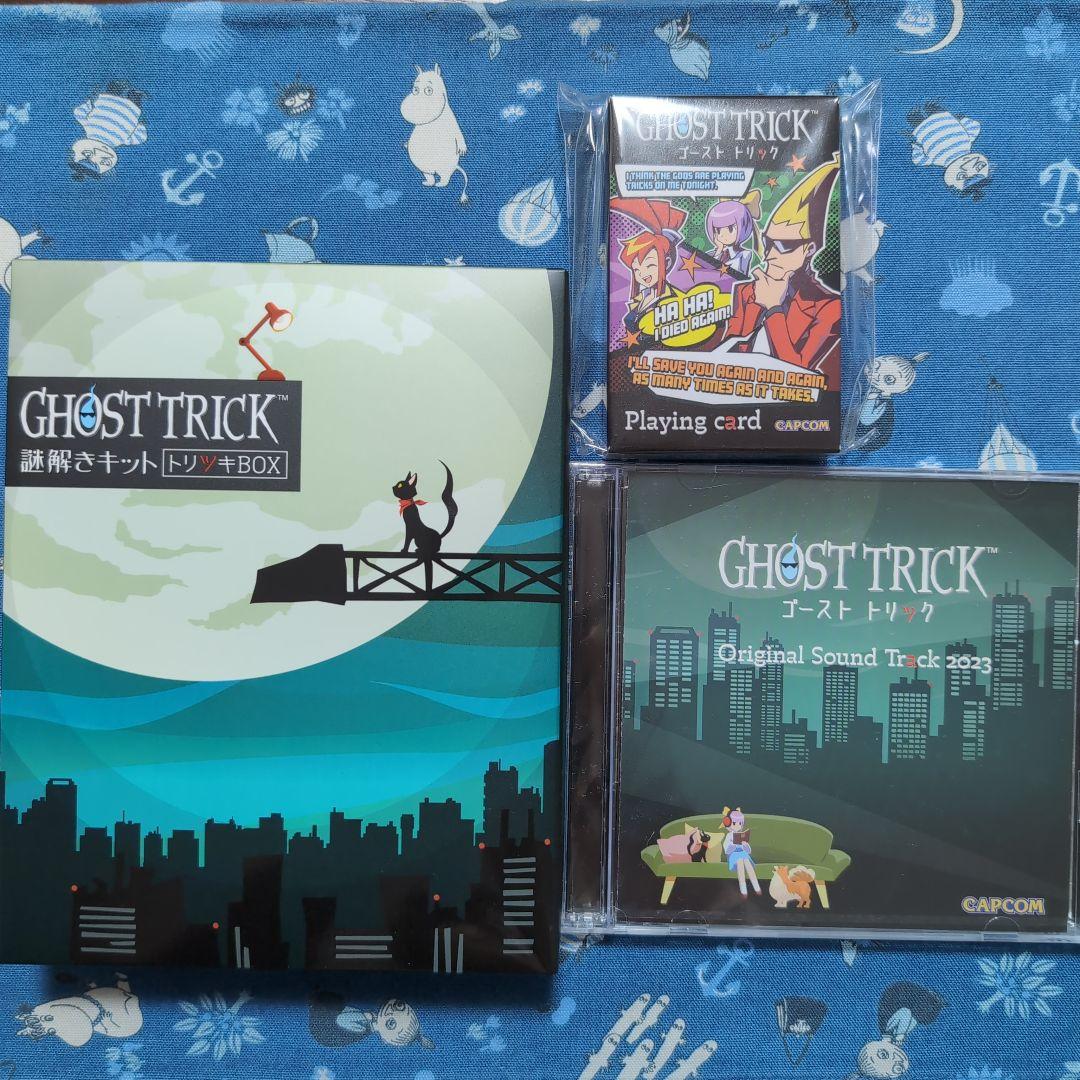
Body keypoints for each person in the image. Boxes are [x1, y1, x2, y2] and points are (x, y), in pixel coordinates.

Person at [719, 155, 841, 372]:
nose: (769, 256)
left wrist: (774, 308)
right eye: (768, 244)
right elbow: (728, 354)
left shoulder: (828, 307)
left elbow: (799, 372)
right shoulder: (747, 292)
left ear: (809, 249)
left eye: (784, 245)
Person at [612, 198, 687, 335]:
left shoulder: (674, 299)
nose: (642, 274)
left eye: (650, 265)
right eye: (636, 269)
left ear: (667, 263)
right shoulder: (641, 297)